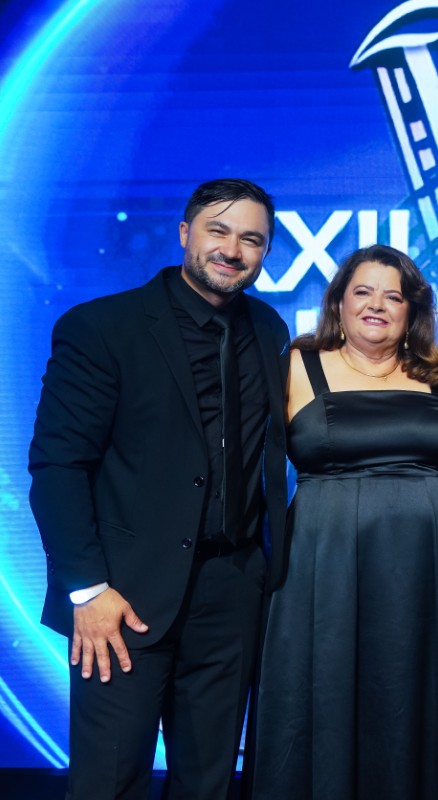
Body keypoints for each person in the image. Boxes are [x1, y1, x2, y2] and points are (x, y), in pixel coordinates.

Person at [28, 179, 290, 799]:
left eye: (251, 238)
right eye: (218, 231)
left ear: (265, 251)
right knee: (109, 781)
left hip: (233, 592)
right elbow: (58, 465)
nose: (232, 250)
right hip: (123, 597)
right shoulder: (102, 327)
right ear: (184, 233)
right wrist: (87, 590)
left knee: (208, 783)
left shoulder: (268, 328)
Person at [251, 244, 438, 799]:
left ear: (412, 309)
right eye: (363, 292)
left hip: (425, 570)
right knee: (319, 692)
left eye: (393, 296)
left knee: (410, 697)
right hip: (322, 566)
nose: (377, 305)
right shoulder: (296, 365)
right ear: (339, 303)